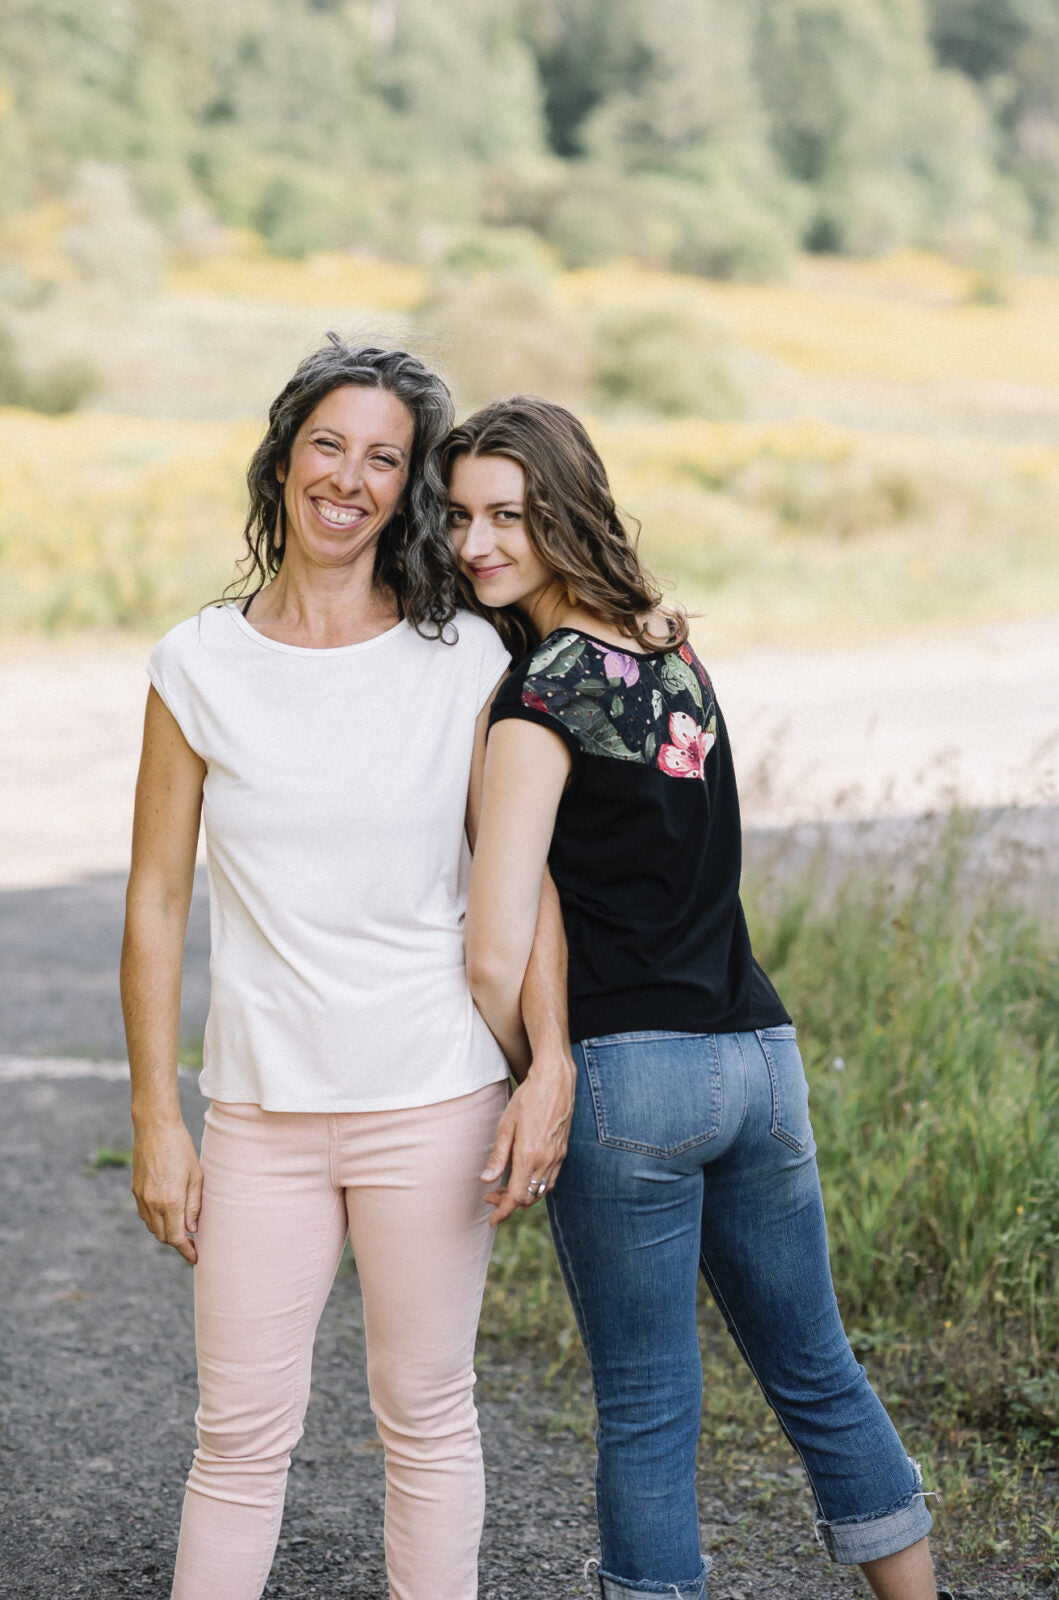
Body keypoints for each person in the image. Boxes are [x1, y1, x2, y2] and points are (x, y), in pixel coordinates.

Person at [441, 395, 951, 1600]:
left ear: (565, 510)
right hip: (760, 1061)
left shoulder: (536, 702)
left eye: (510, 515)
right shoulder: (671, 653)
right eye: (460, 517)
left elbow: (491, 950)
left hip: (633, 1075)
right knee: (820, 1370)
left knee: (650, 1410)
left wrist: (541, 1069)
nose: (477, 545)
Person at [120, 341, 572, 1600]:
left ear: (408, 488)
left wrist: (552, 1062)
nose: (350, 478)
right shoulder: (197, 662)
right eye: (329, 444)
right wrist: (159, 1114)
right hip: (260, 1118)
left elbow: (518, 874)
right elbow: (157, 899)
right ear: (282, 459)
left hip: (431, 1098)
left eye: (385, 458)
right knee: (237, 1441)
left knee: (426, 1424)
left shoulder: (464, 662)